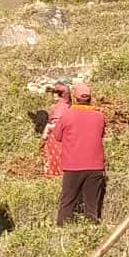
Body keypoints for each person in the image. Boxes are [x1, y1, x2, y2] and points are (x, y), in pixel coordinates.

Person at [49, 81, 108, 226]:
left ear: (75, 98)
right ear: (90, 98)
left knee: (67, 204)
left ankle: (62, 235)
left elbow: (57, 136)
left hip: (73, 167)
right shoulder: (100, 116)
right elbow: (101, 134)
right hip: (95, 167)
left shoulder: (68, 116)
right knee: (92, 206)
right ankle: (91, 236)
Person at [40, 83, 70, 178]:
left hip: (61, 130)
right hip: (52, 132)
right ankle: (53, 172)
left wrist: (52, 86)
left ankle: (62, 172)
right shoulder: (53, 106)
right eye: (53, 93)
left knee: (61, 152)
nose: (54, 95)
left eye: (56, 93)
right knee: (51, 152)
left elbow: (65, 89)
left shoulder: (65, 102)